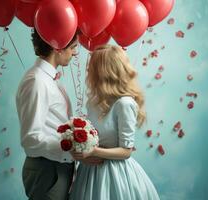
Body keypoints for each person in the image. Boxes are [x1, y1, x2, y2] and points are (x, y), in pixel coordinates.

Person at [69, 44, 160, 200]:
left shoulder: (125, 103)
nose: (88, 71)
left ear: (103, 71)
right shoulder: (94, 102)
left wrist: (93, 152)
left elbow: (126, 151)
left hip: (117, 175)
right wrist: (79, 151)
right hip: (90, 173)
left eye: (92, 67)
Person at [16, 29, 78, 200]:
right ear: (57, 47)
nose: (75, 52)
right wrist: (72, 147)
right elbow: (30, 138)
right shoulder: (36, 81)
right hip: (47, 170)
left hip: (58, 167)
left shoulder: (49, 79)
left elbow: (55, 123)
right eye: (73, 47)